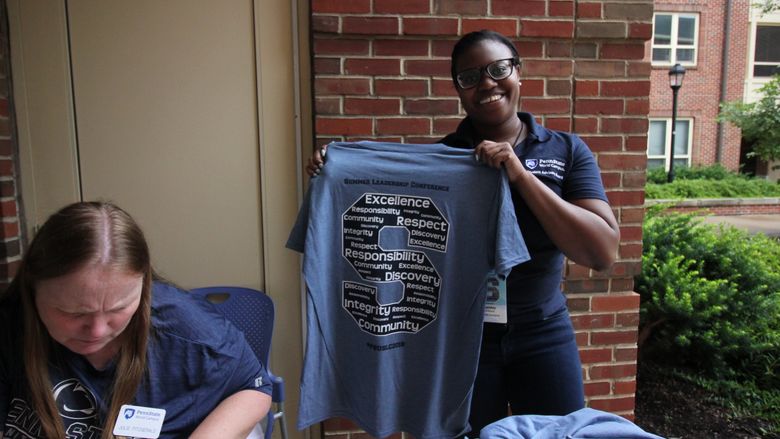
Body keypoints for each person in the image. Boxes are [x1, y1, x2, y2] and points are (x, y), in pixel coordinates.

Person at [307, 30, 620, 437]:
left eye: (498, 69)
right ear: (458, 90)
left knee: (561, 433)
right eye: (469, 77)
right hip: (463, 341)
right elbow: (378, 215)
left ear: (518, 73)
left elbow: (601, 252)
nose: (487, 83)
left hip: (542, 332)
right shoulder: (442, 162)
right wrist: (335, 171)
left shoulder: (566, 150)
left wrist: (519, 174)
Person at [0, 201, 272, 439]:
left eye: (118, 308)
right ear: (32, 289)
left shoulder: (189, 328)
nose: (97, 330)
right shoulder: (10, 331)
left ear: (144, 287)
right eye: (75, 313)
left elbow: (253, 386)